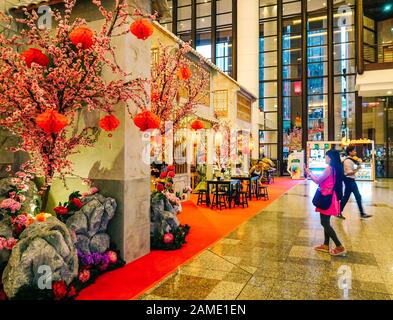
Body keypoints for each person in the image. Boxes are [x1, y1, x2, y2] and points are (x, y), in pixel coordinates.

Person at [305, 149, 346, 256]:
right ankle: (326, 245)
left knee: (324, 222)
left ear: (330, 158)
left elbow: (318, 180)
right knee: (326, 221)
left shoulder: (329, 169)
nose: (325, 158)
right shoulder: (338, 168)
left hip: (326, 197)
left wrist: (309, 173)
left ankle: (339, 246)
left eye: (326, 156)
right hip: (331, 197)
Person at [338, 145, 372, 220]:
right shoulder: (347, 161)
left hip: (350, 180)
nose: (355, 152)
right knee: (356, 196)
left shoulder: (350, 160)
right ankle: (362, 213)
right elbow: (349, 173)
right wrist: (358, 169)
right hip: (349, 181)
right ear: (350, 152)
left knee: (347, 197)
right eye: (354, 151)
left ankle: (338, 212)